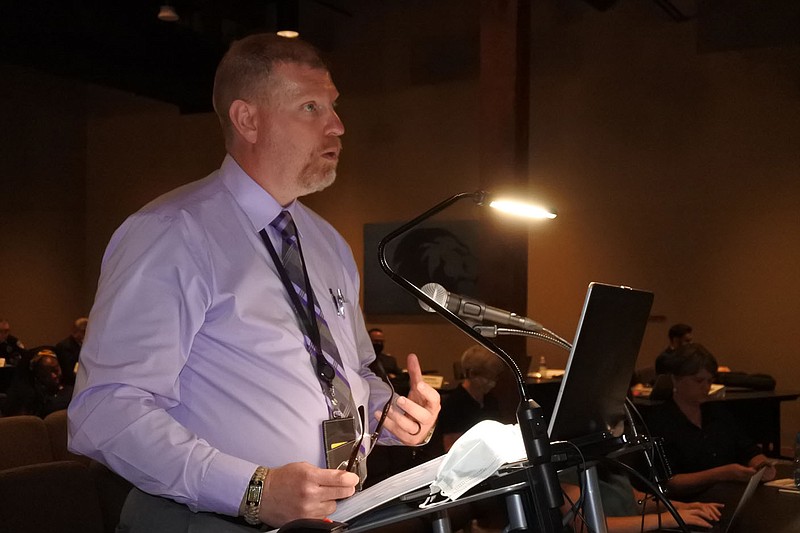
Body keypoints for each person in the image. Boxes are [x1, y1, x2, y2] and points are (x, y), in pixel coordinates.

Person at [67, 34, 440, 532]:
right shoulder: (172, 233)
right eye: (311, 107)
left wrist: (388, 413)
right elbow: (105, 410)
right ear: (248, 120)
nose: (337, 125)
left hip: (330, 516)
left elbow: (349, 374)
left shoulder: (326, 242)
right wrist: (252, 489)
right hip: (206, 520)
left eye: (333, 106)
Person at [644, 343, 776, 497]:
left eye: (709, 381)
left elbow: (748, 449)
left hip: (728, 495)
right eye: (699, 381)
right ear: (675, 379)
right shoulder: (661, 421)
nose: (706, 387)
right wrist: (722, 473)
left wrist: (761, 465)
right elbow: (668, 481)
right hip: (687, 503)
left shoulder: (717, 413)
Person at [560, 464, 724, 533]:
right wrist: (665, 519)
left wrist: (681, 508)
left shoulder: (605, 459)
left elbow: (636, 499)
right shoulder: (564, 472)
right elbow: (587, 526)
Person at [423, 344, 505, 459]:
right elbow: (451, 448)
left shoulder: (490, 400)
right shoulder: (454, 403)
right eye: (488, 377)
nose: (492, 382)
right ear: (471, 374)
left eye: (495, 377)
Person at [3, 347, 73, 417]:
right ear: (37, 375)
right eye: (46, 373)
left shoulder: (69, 389)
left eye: (56, 370)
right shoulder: (26, 399)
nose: (53, 376)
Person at [54, 317, 87, 385]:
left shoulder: (85, 344)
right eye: (85, 331)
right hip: (71, 383)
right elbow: (68, 372)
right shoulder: (64, 346)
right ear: (78, 331)